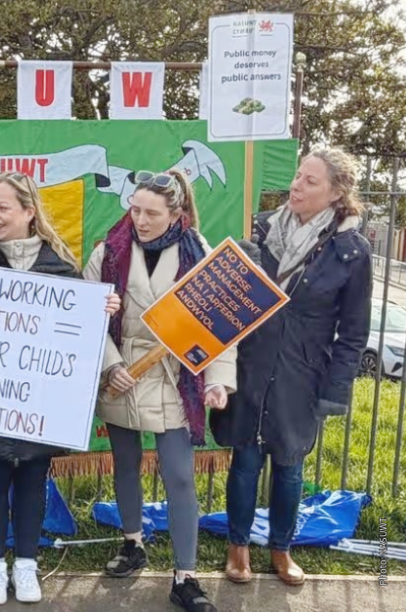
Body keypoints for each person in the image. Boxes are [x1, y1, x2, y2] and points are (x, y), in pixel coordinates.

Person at [0, 172, 120, 606]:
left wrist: (102, 309)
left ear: (29, 212)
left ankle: (25, 565)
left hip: (36, 402)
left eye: (3, 207)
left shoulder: (59, 266)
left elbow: (78, 331)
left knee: (31, 481)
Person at [211, 148, 371, 586]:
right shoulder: (259, 229)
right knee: (244, 460)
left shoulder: (351, 251)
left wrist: (335, 390)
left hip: (303, 374)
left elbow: (353, 331)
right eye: (298, 176)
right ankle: (238, 548)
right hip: (251, 366)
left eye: (310, 181)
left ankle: (281, 549)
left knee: (290, 465)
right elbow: (227, 304)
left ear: (336, 193)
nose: (296, 186)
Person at [83, 169, 235, 612]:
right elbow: (87, 313)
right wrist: (111, 367)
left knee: (180, 476)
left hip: (175, 376)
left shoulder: (200, 252)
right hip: (122, 373)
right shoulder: (106, 252)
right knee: (125, 463)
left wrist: (219, 381)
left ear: (177, 214)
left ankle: (185, 576)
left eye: (151, 213)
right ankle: (133, 543)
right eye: (135, 209)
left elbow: (221, 324)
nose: (141, 220)